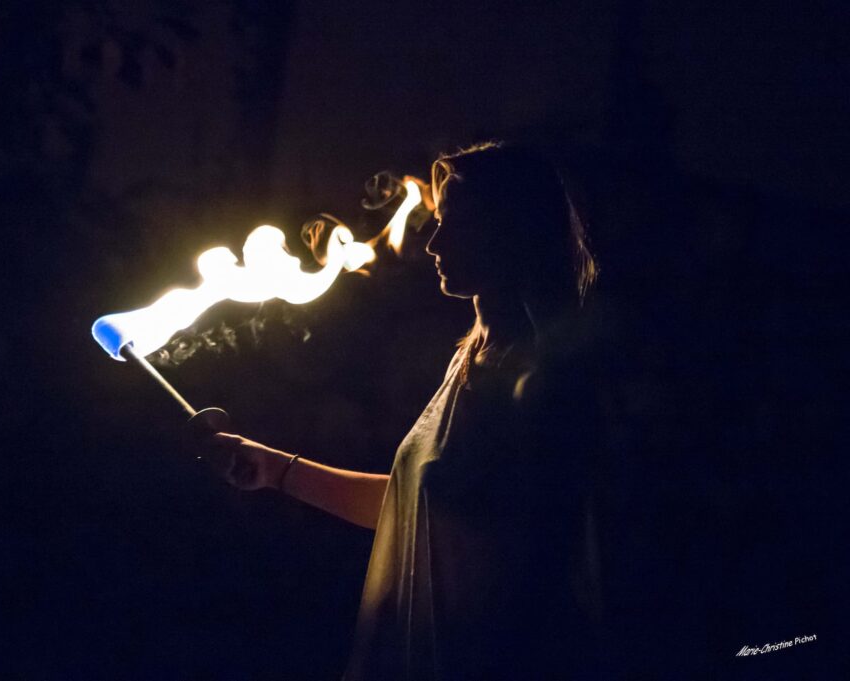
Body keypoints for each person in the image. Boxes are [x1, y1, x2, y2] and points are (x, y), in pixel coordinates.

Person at [206, 141, 609, 679]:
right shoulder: (468, 363)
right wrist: (274, 469)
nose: (435, 243)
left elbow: (544, 555)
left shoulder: (537, 379)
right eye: (440, 219)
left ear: (512, 234)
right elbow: (413, 508)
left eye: (460, 223)